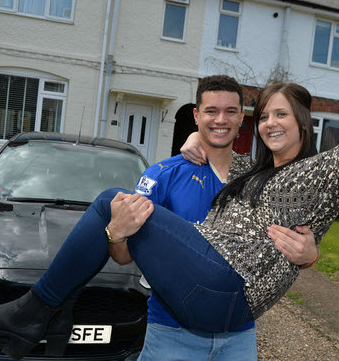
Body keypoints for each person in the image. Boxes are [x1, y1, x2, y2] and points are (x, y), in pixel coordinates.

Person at [0, 0, 339, 360]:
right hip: (195, 304)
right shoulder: (249, 172)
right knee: (117, 209)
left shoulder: (323, 171)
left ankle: (34, 312)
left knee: (110, 198)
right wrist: (189, 144)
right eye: (263, 116)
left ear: (303, 122)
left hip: (228, 295)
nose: (270, 123)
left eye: (281, 115)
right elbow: (210, 160)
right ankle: (43, 311)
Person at [110, 75, 318, 360]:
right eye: (211, 111)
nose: (221, 119)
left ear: (241, 117)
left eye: (230, 111)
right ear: (196, 115)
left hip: (239, 336)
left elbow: (290, 238)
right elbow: (123, 257)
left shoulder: (256, 177)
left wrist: (310, 255)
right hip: (172, 334)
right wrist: (115, 235)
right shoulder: (163, 175)